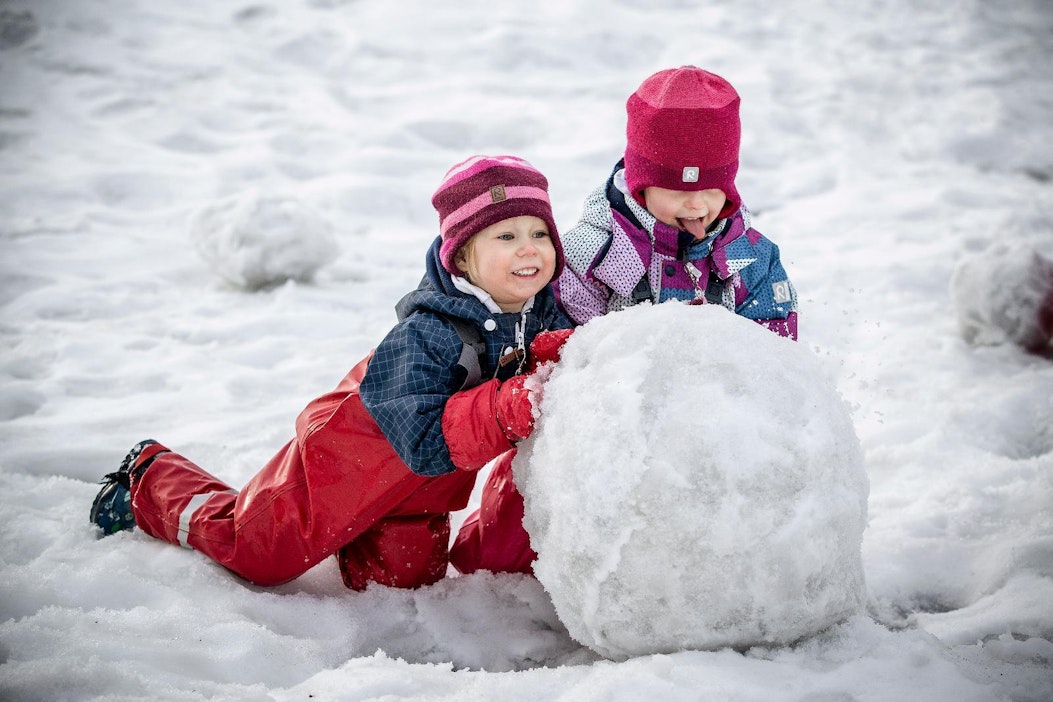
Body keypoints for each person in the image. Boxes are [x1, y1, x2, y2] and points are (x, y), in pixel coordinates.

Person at [89, 154, 573, 591]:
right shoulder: (428, 334)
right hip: (342, 461)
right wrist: (506, 404)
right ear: (462, 257)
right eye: (506, 237)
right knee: (258, 552)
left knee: (398, 594)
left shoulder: (540, 315)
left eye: (539, 234)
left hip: (418, 493)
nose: (529, 249)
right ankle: (146, 481)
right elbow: (424, 438)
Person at [452, 66, 799, 577]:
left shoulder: (751, 256)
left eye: (713, 187)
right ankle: (488, 573)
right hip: (605, 422)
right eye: (677, 188)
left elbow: (776, 343)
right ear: (640, 183)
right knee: (517, 535)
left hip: (711, 425)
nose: (698, 203)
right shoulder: (597, 251)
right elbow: (558, 338)